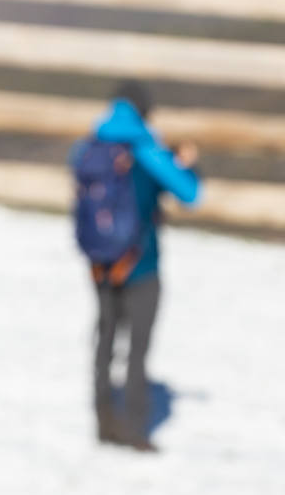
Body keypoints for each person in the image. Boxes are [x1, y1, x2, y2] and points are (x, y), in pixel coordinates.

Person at [73, 81, 201, 453]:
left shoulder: (89, 147)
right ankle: (134, 427)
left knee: (106, 336)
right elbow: (191, 194)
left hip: (99, 262)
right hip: (141, 263)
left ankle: (103, 420)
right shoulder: (147, 149)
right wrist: (189, 165)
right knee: (138, 346)